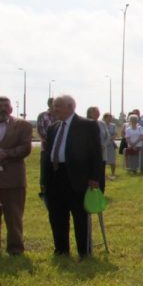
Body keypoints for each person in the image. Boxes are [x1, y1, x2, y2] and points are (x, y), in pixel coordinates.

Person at [40, 96, 104, 257]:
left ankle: (84, 251)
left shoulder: (87, 125)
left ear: (70, 107)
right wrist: (44, 179)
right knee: (57, 215)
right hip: (55, 177)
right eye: (53, 106)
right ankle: (61, 250)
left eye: (58, 106)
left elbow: (96, 153)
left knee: (80, 216)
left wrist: (95, 177)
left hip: (78, 177)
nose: (54, 110)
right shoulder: (53, 127)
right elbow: (47, 154)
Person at [0, 95, 33, 255]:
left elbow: (26, 148)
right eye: (0, 106)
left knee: (14, 216)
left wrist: (6, 153)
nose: (2, 109)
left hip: (13, 178)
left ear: (11, 109)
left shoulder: (23, 125)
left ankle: (15, 248)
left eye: (6, 106)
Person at [101, 112, 118, 179]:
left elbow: (115, 134)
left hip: (111, 144)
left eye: (111, 118)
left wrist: (110, 139)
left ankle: (113, 173)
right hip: (103, 145)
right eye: (108, 118)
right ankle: (103, 174)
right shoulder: (101, 125)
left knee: (112, 160)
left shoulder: (113, 125)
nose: (110, 119)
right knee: (103, 160)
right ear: (105, 118)